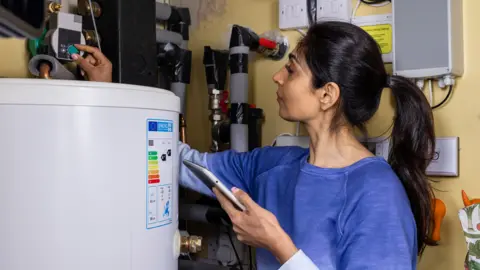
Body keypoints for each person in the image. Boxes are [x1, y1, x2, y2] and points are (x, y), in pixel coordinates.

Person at [74, 21, 435, 270]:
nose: (277, 76)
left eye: (291, 69)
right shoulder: (272, 166)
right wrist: (110, 94)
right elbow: (178, 162)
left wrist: (278, 244)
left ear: (327, 94)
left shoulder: (376, 193)